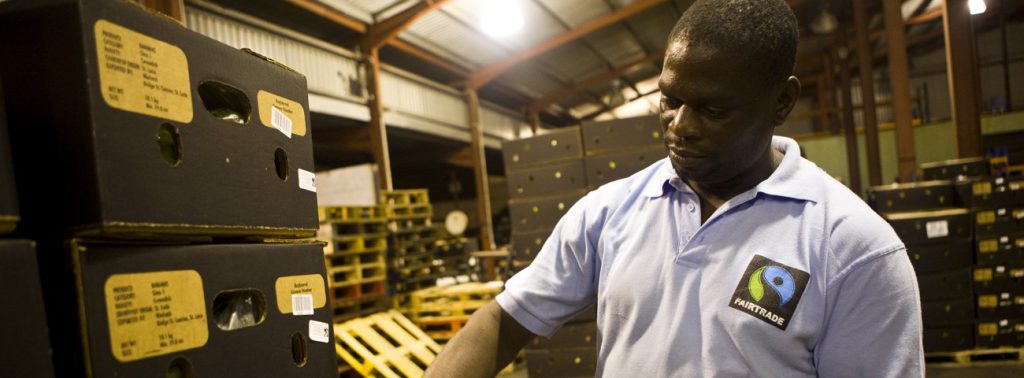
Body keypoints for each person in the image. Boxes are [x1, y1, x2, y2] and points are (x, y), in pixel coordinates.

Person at [426, 0, 923, 376]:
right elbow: (502, 322)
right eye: (669, 100)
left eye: (712, 109)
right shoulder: (608, 213)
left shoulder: (852, 250)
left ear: (782, 101)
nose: (680, 126)